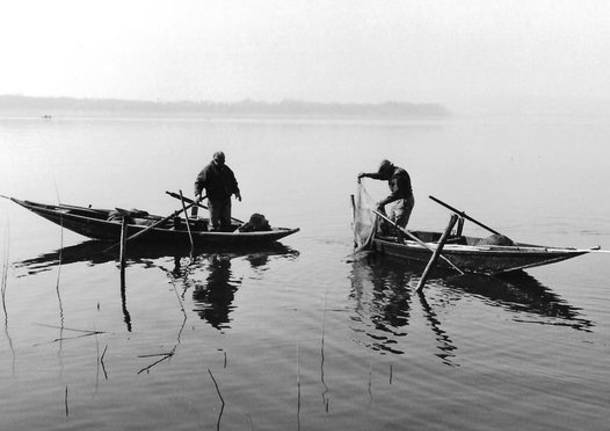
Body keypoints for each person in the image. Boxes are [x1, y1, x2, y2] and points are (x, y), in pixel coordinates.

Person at [358, 159, 414, 230]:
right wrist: (366, 175)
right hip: (398, 201)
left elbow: (396, 194)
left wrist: (383, 202)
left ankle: (398, 239)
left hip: (405, 202)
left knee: (398, 226)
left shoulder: (398, 175)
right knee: (391, 224)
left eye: (384, 173)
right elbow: (380, 176)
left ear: (388, 170)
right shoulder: (391, 173)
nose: (384, 175)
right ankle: (392, 236)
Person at [194, 151, 242, 231]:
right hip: (214, 200)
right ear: (214, 160)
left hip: (226, 199)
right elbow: (199, 182)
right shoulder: (208, 169)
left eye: (222, 161)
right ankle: (212, 237)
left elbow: (233, 182)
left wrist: (237, 192)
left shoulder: (227, 170)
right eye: (218, 161)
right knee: (214, 223)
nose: (220, 163)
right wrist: (198, 194)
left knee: (226, 222)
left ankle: (226, 237)